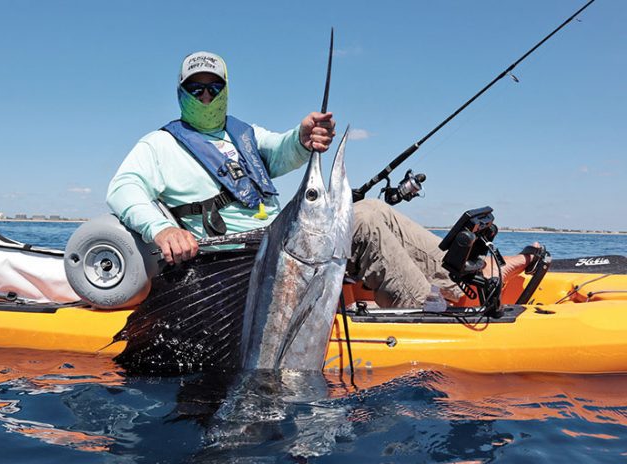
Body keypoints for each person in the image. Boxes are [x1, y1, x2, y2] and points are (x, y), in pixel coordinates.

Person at [107, 51, 537, 308]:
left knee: (369, 210)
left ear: (225, 91)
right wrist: (161, 227)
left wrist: (303, 136)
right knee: (363, 220)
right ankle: (419, 306)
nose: (205, 96)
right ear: (181, 92)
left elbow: (281, 150)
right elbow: (123, 188)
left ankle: (477, 274)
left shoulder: (242, 134)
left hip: (285, 246)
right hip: (241, 264)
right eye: (195, 89)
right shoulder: (159, 145)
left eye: (213, 88)